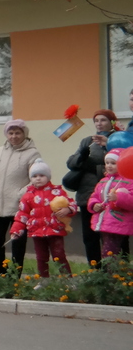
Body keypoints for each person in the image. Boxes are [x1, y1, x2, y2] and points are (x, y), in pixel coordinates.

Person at [0, 118, 40, 274]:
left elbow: (36, 179)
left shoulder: (32, 153)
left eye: (18, 133)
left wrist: (19, 194)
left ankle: (15, 276)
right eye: (11, 133)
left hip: (19, 207)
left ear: (24, 134)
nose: (14, 136)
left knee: (17, 243)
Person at [65, 109, 118, 265]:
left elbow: (119, 162)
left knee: (111, 237)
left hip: (108, 196)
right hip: (86, 195)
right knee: (90, 237)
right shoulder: (87, 140)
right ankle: (95, 270)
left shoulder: (116, 139)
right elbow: (71, 163)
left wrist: (93, 165)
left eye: (103, 120)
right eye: (96, 120)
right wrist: (81, 156)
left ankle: (116, 271)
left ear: (111, 123)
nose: (99, 123)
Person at [10, 160, 76, 278]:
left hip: (55, 230)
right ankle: (43, 280)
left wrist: (68, 210)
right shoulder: (28, 196)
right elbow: (22, 214)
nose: (38, 179)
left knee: (59, 255)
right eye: (34, 176)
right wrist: (16, 230)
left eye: (41, 175)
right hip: (37, 231)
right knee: (41, 257)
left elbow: (71, 203)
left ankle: (68, 279)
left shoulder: (57, 192)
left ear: (48, 176)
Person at [88, 150, 133, 262]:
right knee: (110, 252)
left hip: (118, 221)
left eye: (113, 163)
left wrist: (118, 198)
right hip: (104, 221)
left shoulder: (128, 181)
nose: (109, 166)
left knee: (109, 253)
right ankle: (118, 275)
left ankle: (113, 277)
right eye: (107, 163)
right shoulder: (103, 181)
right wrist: (94, 205)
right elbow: (95, 196)